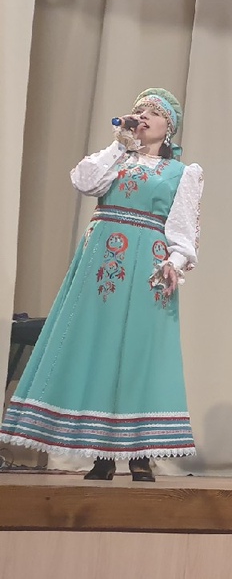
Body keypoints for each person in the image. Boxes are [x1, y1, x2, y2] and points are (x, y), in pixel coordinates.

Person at [0, 88, 202, 481]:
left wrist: (174, 263)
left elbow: (183, 230)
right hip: (103, 265)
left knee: (139, 353)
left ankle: (140, 453)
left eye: (153, 112)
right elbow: (84, 181)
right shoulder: (116, 158)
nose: (143, 116)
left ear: (169, 127)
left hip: (147, 264)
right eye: (139, 110)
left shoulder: (182, 172)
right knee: (101, 348)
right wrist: (119, 143)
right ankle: (101, 455)